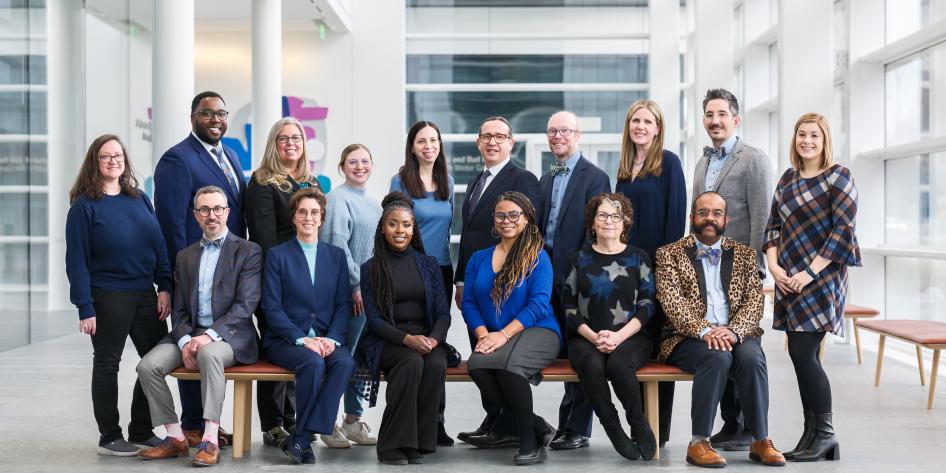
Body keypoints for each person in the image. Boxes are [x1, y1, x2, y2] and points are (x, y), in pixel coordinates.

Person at [656, 191, 786, 468]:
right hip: (687, 336)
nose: (709, 219)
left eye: (716, 213)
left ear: (726, 219)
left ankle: (760, 439)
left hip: (736, 332)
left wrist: (733, 331)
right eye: (703, 213)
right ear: (692, 218)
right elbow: (673, 303)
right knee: (716, 356)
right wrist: (706, 331)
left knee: (751, 357)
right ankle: (698, 442)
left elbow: (754, 301)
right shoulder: (669, 254)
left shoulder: (745, 255)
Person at [136, 186, 261, 467]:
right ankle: (175, 436)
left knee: (209, 353)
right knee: (147, 366)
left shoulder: (248, 251)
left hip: (229, 337)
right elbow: (179, 310)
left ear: (227, 212)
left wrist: (207, 337)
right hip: (188, 335)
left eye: (218, 209)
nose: (211, 215)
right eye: (204, 210)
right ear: (196, 215)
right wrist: (184, 342)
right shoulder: (185, 256)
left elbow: (246, 305)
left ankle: (210, 439)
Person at [65, 134, 172, 455]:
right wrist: (85, 306)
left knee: (156, 361)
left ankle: (141, 428)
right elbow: (76, 261)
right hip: (107, 294)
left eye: (118, 155)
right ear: (94, 163)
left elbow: (158, 244)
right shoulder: (84, 207)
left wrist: (164, 284)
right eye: (105, 156)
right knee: (108, 363)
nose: (114, 160)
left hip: (145, 293)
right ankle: (109, 436)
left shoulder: (139, 198)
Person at [764, 113, 859, 463]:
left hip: (821, 279)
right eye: (802, 134)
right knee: (797, 353)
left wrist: (809, 272)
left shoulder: (839, 177)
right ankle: (811, 434)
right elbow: (773, 225)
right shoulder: (788, 179)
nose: (807, 140)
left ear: (824, 140)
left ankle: (826, 434)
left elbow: (843, 232)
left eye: (814, 135)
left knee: (805, 353)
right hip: (788, 278)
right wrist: (773, 266)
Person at [154, 90, 245, 446]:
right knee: (191, 341)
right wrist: (177, 275)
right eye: (208, 114)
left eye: (221, 113)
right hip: (191, 271)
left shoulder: (231, 155)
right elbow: (172, 224)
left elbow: (238, 215)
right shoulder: (176, 159)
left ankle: (205, 422)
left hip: (229, 268)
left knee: (216, 340)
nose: (216, 120)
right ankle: (193, 423)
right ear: (193, 117)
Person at [693, 89, 773, 451]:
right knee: (717, 341)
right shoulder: (701, 162)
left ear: (736, 120)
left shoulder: (753, 159)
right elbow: (695, 217)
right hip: (705, 268)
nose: (715, 120)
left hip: (740, 270)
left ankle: (744, 426)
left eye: (722, 114)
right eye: (710, 114)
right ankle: (731, 423)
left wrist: (755, 268)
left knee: (741, 343)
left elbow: (762, 217)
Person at [454, 116, 540, 448]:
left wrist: (515, 277)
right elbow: (468, 237)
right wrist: (461, 280)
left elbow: (531, 231)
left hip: (507, 285)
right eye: (486, 136)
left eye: (500, 136)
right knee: (481, 349)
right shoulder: (477, 181)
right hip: (476, 283)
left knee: (499, 354)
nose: (493, 142)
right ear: (478, 142)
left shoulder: (523, 178)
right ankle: (497, 419)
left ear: (511, 143)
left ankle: (512, 424)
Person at [461, 191, 560, 465]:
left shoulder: (538, 256)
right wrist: (482, 335)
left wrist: (503, 334)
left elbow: (539, 304)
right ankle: (538, 425)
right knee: (478, 365)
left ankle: (529, 441)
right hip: (493, 335)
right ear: (494, 220)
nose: (507, 220)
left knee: (509, 365)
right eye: (501, 215)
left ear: (526, 219)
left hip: (539, 330)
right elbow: (468, 302)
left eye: (514, 214)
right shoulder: (479, 259)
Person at [261, 188, 356, 464]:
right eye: (302, 211)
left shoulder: (336, 256)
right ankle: (304, 438)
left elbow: (343, 304)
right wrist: (303, 339)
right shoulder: (278, 255)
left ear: (322, 218)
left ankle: (301, 437)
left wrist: (333, 340)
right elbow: (272, 307)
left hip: (326, 338)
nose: (308, 217)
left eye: (315, 212)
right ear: (293, 217)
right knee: (312, 364)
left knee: (345, 363)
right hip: (286, 340)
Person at [356, 192, 452, 465]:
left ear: (414, 228)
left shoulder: (429, 265)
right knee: (411, 363)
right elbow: (374, 321)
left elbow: (444, 315)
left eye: (406, 225)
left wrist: (433, 340)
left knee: (434, 364)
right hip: (388, 339)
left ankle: (419, 443)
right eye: (393, 224)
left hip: (425, 336)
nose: (400, 231)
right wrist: (408, 339)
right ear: (383, 228)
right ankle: (392, 445)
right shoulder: (371, 269)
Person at [244, 117, 323, 447]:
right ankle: (273, 422)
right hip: (276, 279)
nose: (291, 143)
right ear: (273, 144)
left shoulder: (311, 181)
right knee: (276, 348)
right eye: (283, 138)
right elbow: (264, 239)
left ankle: (294, 419)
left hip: (309, 280)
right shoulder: (262, 181)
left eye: (297, 138)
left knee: (302, 345)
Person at [562, 192, 657, 461]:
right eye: (602, 215)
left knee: (617, 364)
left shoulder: (639, 257)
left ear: (625, 223)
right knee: (591, 365)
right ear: (592, 223)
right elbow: (568, 306)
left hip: (632, 335)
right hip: (586, 336)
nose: (609, 221)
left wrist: (618, 337)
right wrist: (594, 337)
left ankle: (638, 423)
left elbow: (649, 304)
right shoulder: (577, 259)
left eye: (616, 216)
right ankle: (613, 428)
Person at [614, 98, 686, 446]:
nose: (640, 126)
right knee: (633, 348)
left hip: (659, 273)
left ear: (658, 128)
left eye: (647, 121)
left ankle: (659, 431)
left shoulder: (669, 164)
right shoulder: (625, 168)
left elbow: (675, 222)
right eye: (635, 121)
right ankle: (639, 425)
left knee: (659, 350)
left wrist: (665, 272)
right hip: (628, 274)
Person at [538, 111, 610, 451]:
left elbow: (595, 233)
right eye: (552, 131)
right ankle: (565, 422)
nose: (557, 136)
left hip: (577, 276)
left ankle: (578, 427)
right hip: (545, 273)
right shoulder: (549, 174)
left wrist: (578, 275)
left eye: (564, 130)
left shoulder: (595, 177)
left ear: (578, 134)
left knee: (581, 352)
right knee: (562, 350)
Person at [390, 120, 455, 446]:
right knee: (413, 348)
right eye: (421, 141)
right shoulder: (400, 181)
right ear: (412, 147)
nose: (428, 146)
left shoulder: (448, 182)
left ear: (440, 145)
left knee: (436, 347)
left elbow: (446, 232)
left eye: (434, 140)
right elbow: (393, 229)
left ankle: (435, 423)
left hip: (440, 270)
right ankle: (411, 423)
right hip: (411, 269)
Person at [318, 143, 382, 447]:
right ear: (342, 167)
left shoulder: (373, 202)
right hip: (349, 293)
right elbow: (337, 246)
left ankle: (353, 420)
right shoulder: (337, 199)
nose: (360, 166)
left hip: (372, 295)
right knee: (341, 356)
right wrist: (357, 285)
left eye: (365, 161)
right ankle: (327, 423)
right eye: (353, 161)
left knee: (362, 357)